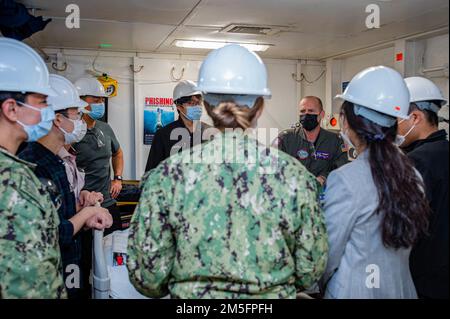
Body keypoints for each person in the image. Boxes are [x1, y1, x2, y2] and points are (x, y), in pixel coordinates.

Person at [127, 44, 328, 299]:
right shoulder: (295, 177)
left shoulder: (167, 177)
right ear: (260, 107)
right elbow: (310, 270)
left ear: (208, 106)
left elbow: (147, 276)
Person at [320, 66, 431, 299]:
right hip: (402, 290)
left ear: (349, 122)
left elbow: (326, 254)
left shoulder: (345, 178)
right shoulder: (413, 175)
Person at [19, 74, 113, 299]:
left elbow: (61, 212)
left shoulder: (57, 161)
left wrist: (82, 203)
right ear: (58, 120)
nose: (81, 120)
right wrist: (89, 212)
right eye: (77, 114)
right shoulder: (36, 165)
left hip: (70, 260)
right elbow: (55, 232)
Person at [0, 37, 66, 298]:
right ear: (12, 109)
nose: (48, 111)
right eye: (41, 101)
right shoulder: (12, 181)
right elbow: (26, 285)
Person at [398, 76, 449, 299]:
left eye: (395, 118)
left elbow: (403, 225)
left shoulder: (418, 161)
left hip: (423, 276)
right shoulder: (443, 152)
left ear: (415, 117)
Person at [73, 77, 124, 233]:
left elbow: (118, 153)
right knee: (88, 256)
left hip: (107, 202)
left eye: (102, 100)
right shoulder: (72, 132)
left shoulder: (105, 128)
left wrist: (118, 178)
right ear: (80, 101)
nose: (100, 104)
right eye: (96, 100)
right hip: (83, 206)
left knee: (114, 250)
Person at [276, 96, 348, 186]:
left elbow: (343, 168)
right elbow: (271, 166)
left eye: (311, 111)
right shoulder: (285, 138)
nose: (306, 114)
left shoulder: (335, 141)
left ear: (322, 114)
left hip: (324, 195)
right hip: (293, 193)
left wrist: (323, 178)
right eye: (302, 111)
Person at [145, 80, 212, 172]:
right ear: (179, 106)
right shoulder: (163, 135)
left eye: (199, 103)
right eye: (191, 103)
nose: (197, 107)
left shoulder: (209, 133)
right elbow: (152, 172)